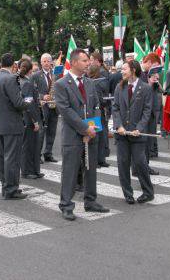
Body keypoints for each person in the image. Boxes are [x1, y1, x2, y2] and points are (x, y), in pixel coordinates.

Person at [54, 48, 109, 220]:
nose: (88, 63)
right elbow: (65, 110)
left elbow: (96, 107)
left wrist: (93, 129)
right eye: (85, 61)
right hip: (73, 135)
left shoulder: (90, 83)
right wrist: (84, 128)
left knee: (90, 169)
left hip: (90, 134)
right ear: (75, 62)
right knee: (70, 171)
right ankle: (66, 205)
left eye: (88, 61)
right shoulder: (61, 84)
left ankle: (90, 201)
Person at [112, 60, 155, 204]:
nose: (122, 72)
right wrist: (119, 126)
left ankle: (148, 192)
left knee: (140, 163)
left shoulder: (146, 88)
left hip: (138, 133)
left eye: (124, 69)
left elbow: (147, 111)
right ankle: (127, 193)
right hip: (122, 134)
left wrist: (140, 128)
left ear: (133, 70)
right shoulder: (119, 87)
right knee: (123, 164)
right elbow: (115, 108)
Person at [0, 53, 29, 200]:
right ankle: (11, 189)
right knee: (12, 158)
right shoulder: (11, 78)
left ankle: (5, 186)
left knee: (3, 157)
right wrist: (28, 103)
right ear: (13, 65)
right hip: (12, 124)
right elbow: (18, 103)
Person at [19, 58, 44, 179]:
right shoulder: (27, 83)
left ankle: (34, 170)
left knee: (33, 145)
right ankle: (26, 171)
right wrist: (35, 121)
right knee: (28, 145)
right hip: (29, 118)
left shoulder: (23, 81)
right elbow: (28, 103)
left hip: (27, 117)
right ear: (30, 71)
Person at [31, 53, 58, 163]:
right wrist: (42, 96)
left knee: (52, 131)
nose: (47, 63)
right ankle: (38, 154)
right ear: (41, 63)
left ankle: (48, 153)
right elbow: (32, 91)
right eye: (44, 61)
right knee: (41, 132)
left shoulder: (55, 75)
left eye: (48, 61)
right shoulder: (36, 75)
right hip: (43, 107)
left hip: (54, 107)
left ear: (51, 62)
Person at [140, 53, 162, 174]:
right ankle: (141, 167)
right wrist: (149, 83)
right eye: (155, 66)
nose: (156, 68)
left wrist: (156, 81)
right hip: (144, 112)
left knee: (149, 141)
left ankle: (146, 165)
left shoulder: (152, 75)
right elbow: (140, 92)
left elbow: (160, 91)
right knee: (142, 141)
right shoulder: (139, 74)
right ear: (148, 62)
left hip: (153, 111)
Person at [87, 64, 109, 168]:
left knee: (100, 136)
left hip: (96, 112)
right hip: (95, 112)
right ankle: (98, 160)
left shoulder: (91, 82)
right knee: (97, 136)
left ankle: (100, 159)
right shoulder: (91, 83)